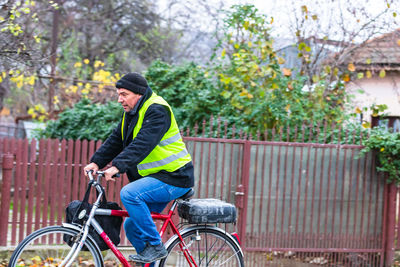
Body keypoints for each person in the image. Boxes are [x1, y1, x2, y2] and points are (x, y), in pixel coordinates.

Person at [83, 72, 194, 265]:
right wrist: (96, 162)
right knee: (133, 227)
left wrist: (117, 166)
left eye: (124, 94)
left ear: (139, 94)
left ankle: (156, 246)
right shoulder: (132, 113)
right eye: (118, 94)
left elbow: (143, 143)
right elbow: (117, 139)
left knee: (130, 194)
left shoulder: (157, 110)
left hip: (175, 177)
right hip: (158, 178)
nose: (119, 99)